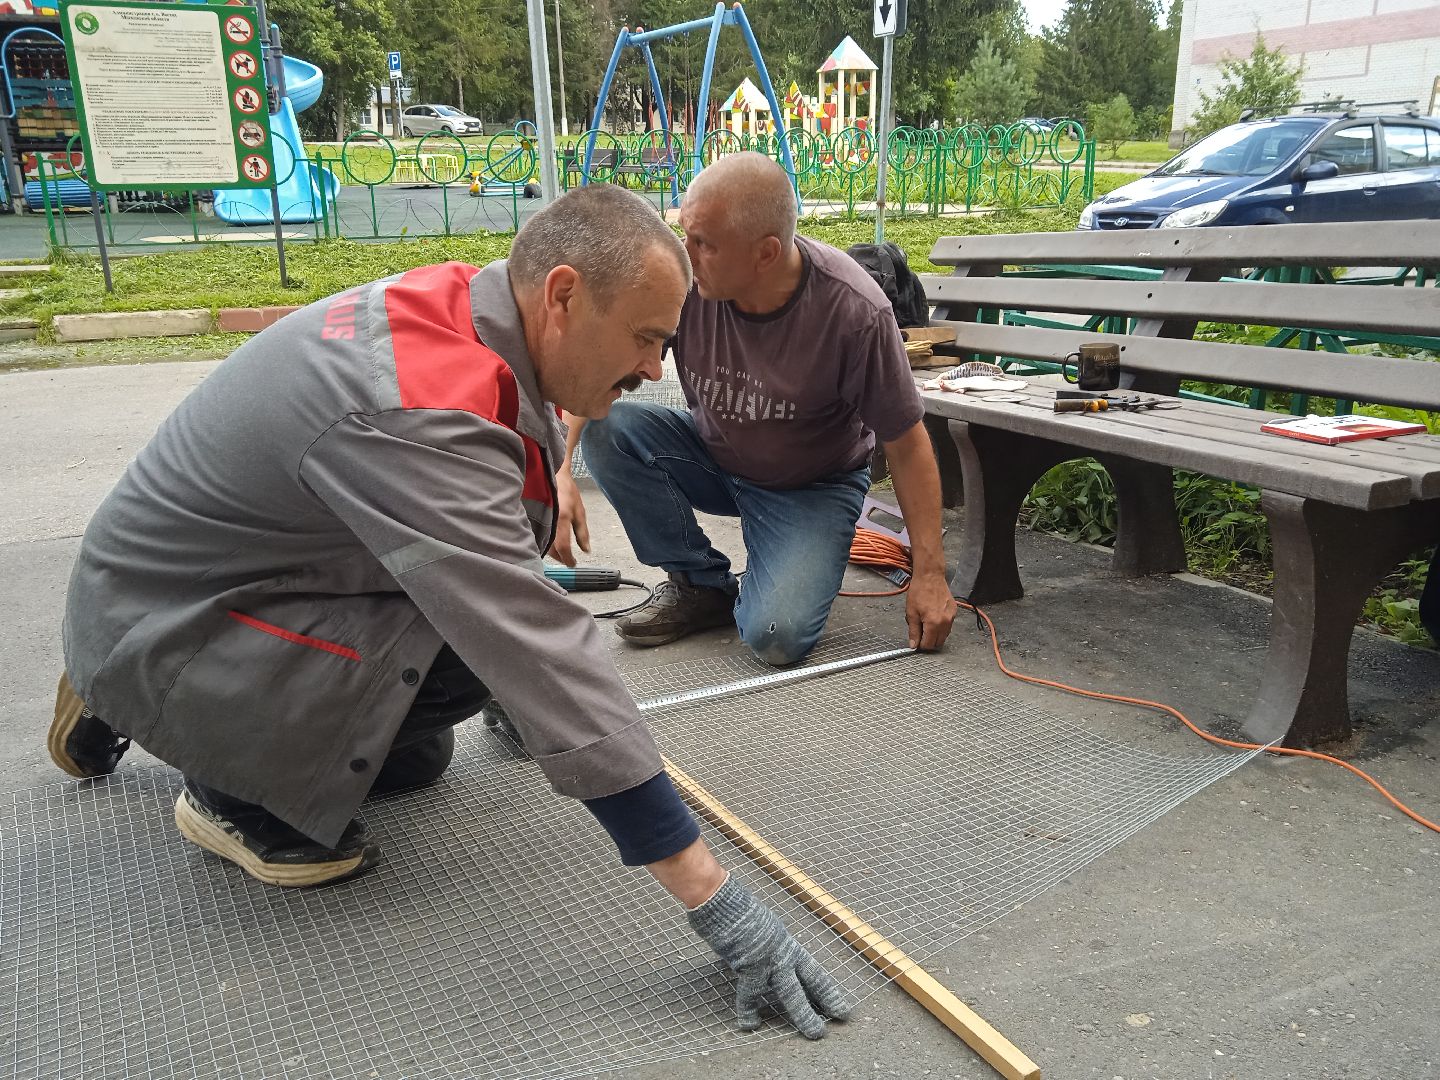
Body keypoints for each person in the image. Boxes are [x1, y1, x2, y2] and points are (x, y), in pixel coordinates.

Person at [48, 184, 850, 1039]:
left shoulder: (472, 301)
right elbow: (536, 646)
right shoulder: (416, 408)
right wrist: (714, 902)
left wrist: (526, 673)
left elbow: (498, 511)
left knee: (420, 750)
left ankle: (146, 685)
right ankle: (218, 786)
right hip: (174, 608)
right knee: (467, 673)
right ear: (565, 295)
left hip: (190, 575)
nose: (658, 369)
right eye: (648, 338)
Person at [554, 152, 956, 666]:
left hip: (810, 485)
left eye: (704, 244)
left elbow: (906, 442)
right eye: (686, 233)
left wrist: (929, 574)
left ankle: (791, 556)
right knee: (610, 428)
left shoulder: (853, 313)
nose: (686, 253)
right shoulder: (683, 283)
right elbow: (598, 368)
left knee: (775, 635)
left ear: (766, 253)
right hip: (716, 456)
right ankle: (700, 584)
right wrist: (561, 469)